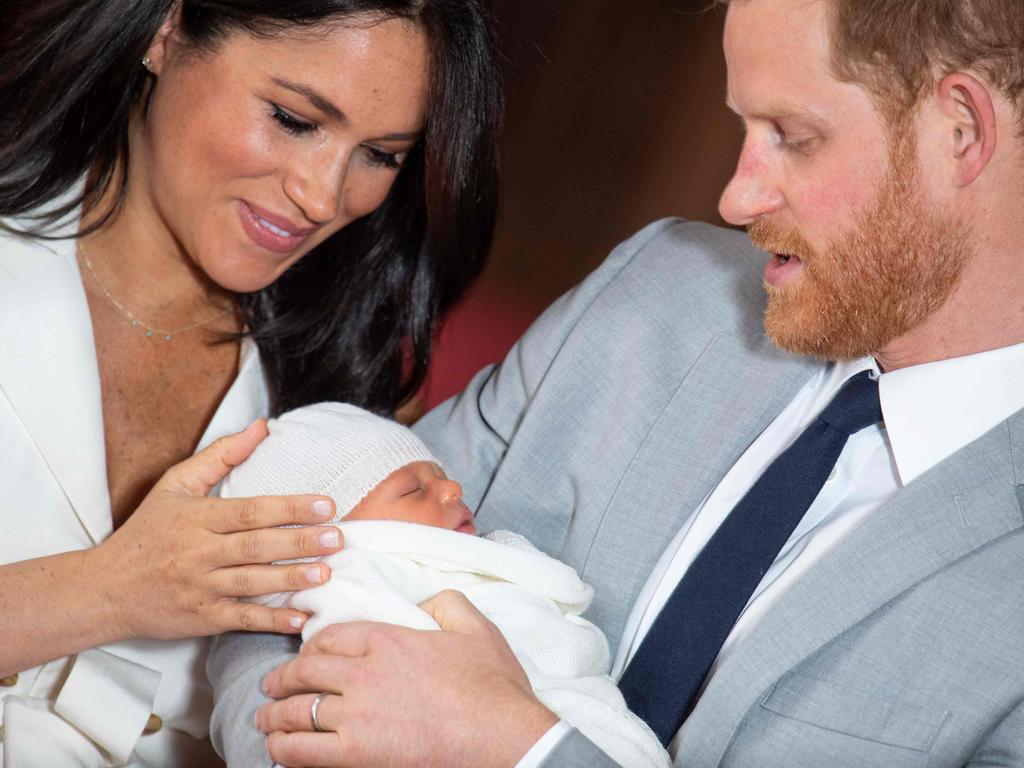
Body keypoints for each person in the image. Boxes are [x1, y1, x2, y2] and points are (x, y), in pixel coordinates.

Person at [208, 0, 1024, 766]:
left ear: (961, 130)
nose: (737, 200)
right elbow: (291, 585)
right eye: (745, 127)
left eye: (793, 134)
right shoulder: (657, 286)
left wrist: (518, 749)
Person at [0, 0, 500, 764]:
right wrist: (107, 589)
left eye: (382, 155)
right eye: (295, 119)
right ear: (167, 31)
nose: (323, 196)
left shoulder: (353, 393)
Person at [218, 402, 670, 768]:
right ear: (326, 537)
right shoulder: (354, 577)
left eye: (440, 474)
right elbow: (378, 677)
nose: (453, 488)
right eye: (414, 490)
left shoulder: (478, 558)